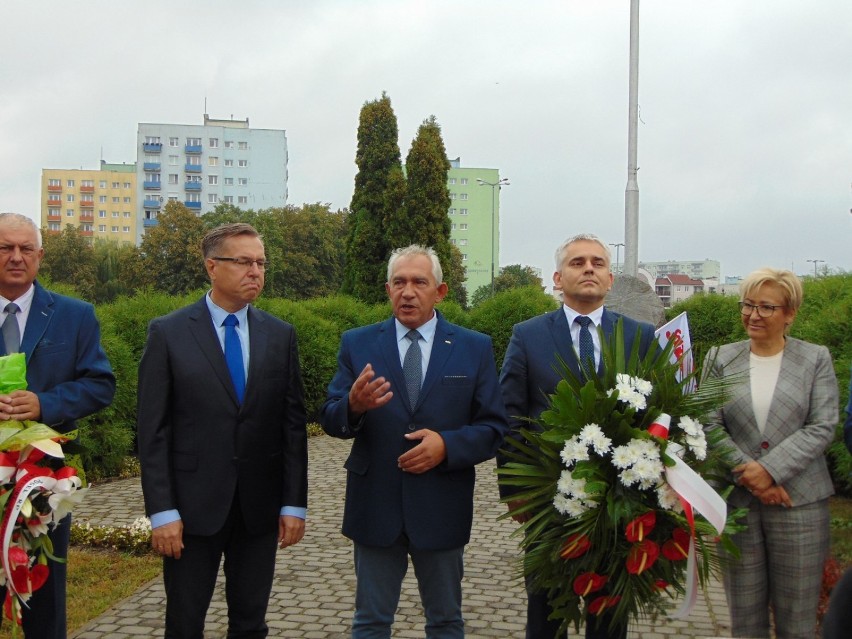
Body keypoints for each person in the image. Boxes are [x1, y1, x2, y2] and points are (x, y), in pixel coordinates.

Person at [320, 244, 509, 638]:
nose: (408, 292)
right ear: (388, 289)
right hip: (376, 504)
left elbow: (494, 428)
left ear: (439, 292)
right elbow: (331, 419)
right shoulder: (358, 343)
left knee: (445, 622)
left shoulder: (474, 347)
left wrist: (447, 446)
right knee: (370, 622)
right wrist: (353, 406)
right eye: (399, 282)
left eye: (419, 282)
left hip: (441, 504)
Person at [137, 223, 308, 638]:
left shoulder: (279, 334)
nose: (256, 271)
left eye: (261, 263)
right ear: (212, 266)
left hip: (258, 509)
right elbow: (152, 430)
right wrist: (162, 511)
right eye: (244, 261)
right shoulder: (169, 333)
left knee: (250, 624)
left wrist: (293, 504)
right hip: (190, 512)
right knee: (184, 622)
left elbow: (292, 427)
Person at [498, 234, 657, 639]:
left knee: (609, 614)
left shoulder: (639, 337)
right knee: (548, 611)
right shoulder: (527, 336)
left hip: (620, 500)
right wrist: (515, 489)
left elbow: (657, 414)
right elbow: (510, 416)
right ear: (557, 277)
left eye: (598, 263)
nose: (589, 268)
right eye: (577, 262)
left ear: (609, 280)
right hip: (548, 500)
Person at [702, 267, 837, 639]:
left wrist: (771, 471)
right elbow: (708, 423)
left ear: (789, 313)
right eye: (747, 304)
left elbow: (823, 425)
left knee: (797, 622)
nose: (753, 315)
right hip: (739, 505)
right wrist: (751, 474)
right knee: (745, 622)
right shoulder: (720, 357)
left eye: (766, 307)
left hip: (800, 504)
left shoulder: (815, 359)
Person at [0, 212, 115, 639]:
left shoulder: (74, 315)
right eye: (5, 248)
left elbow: (100, 385)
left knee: (44, 602)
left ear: (40, 256)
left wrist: (43, 403)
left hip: (43, 483)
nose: (16, 257)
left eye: (25, 248)